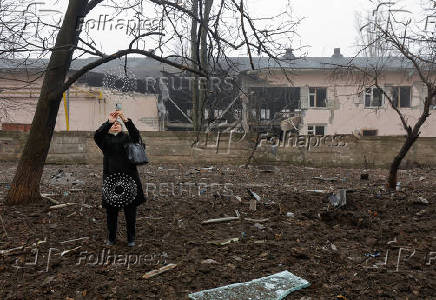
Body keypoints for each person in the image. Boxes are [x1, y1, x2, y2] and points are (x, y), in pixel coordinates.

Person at [94, 111, 146, 247]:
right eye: (114, 124)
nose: (116, 125)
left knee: (130, 212)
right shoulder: (104, 141)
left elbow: (136, 134)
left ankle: (131, 239)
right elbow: (97, 135)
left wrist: (125, 119)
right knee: (111, 212)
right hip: (112, 180)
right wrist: (108, 122)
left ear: (122, 127)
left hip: (129, 179)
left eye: (118, 124)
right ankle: (111, 238)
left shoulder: (128, 138)